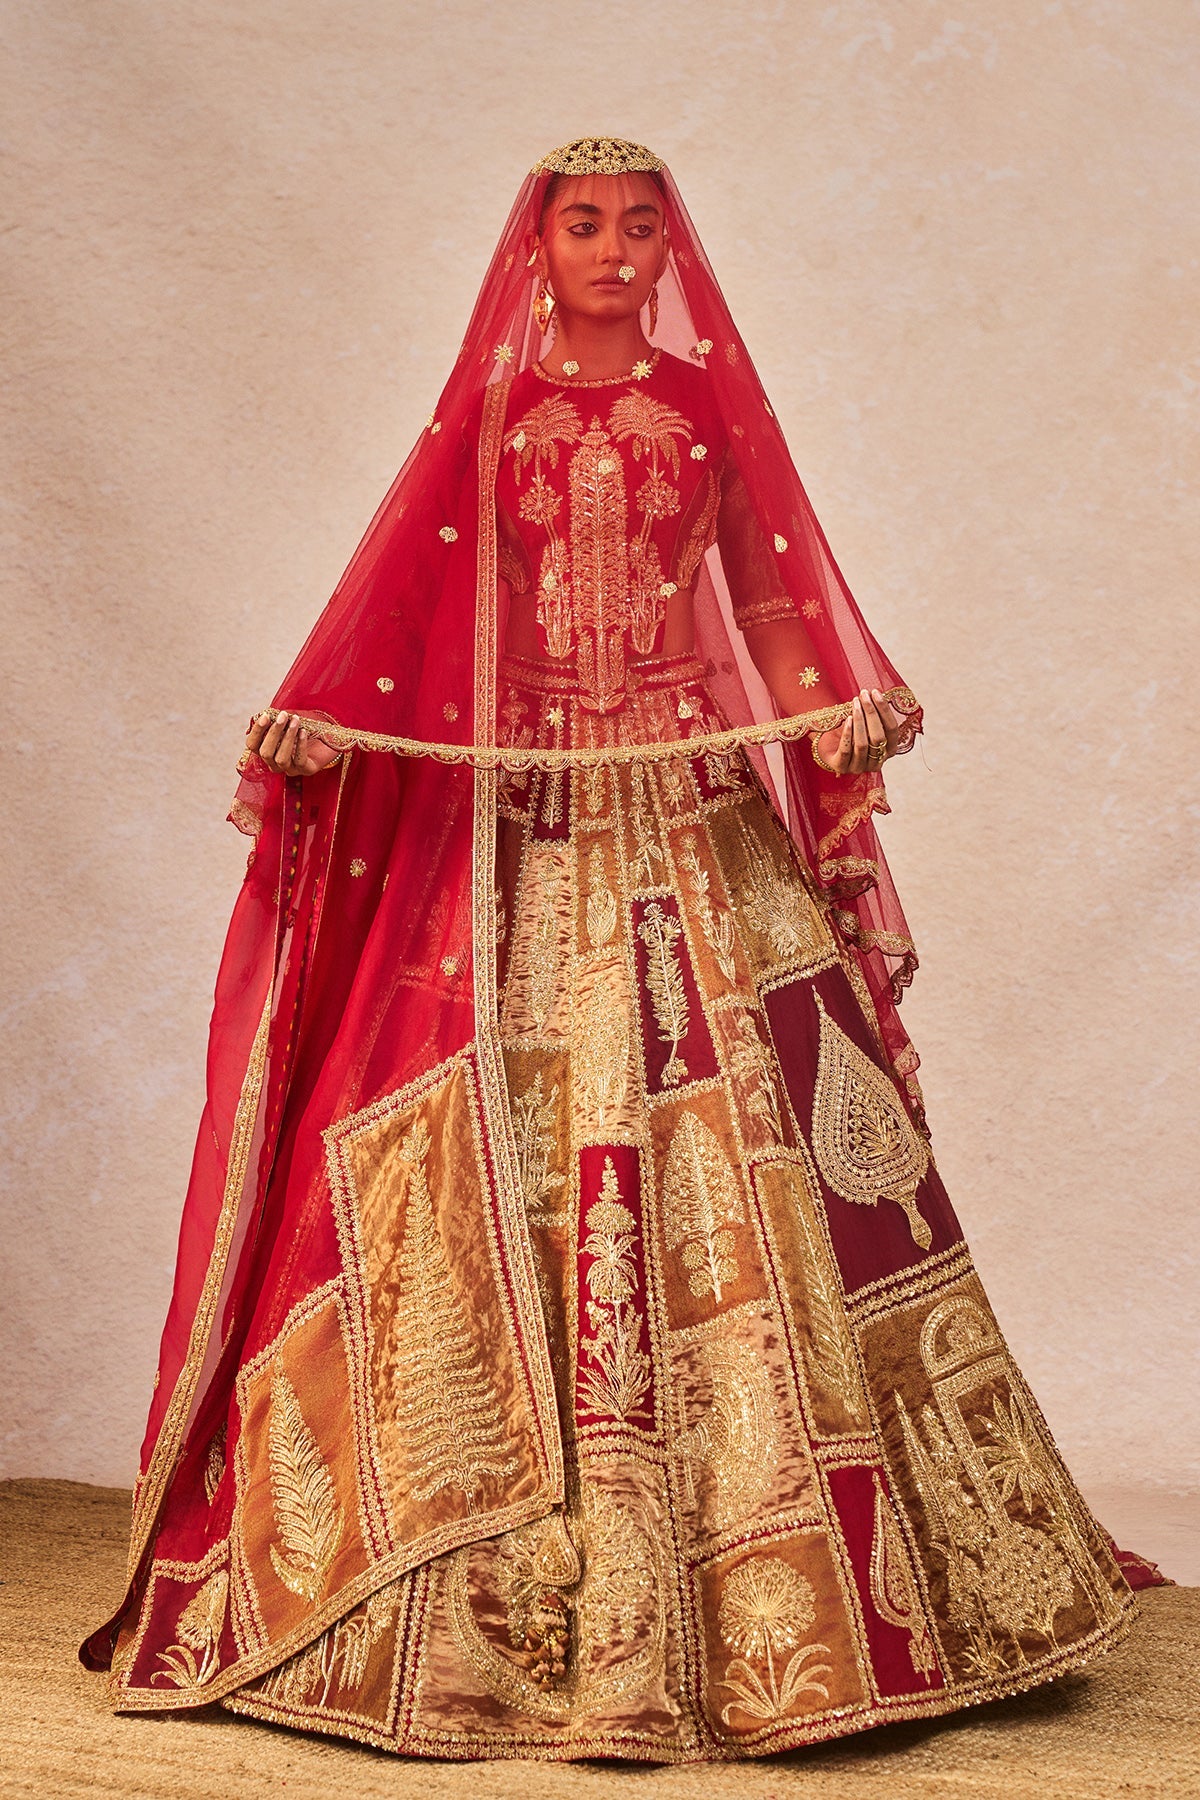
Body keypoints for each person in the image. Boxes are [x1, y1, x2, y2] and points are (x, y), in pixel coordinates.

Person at [81, 136, 1163, 1763]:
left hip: (685, 802)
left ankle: (813, 1578)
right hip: (523, 832)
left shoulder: (707, 405)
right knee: (494, 1151)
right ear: (539, 246)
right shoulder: (488, 420)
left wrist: (829, 719)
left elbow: (772, 603)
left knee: (756, 1146)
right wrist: (320, 723)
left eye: (638, 226)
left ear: (671, 249)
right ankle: (482, 1577)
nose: (610, 248)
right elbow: (406, 611)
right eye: (583, 223)